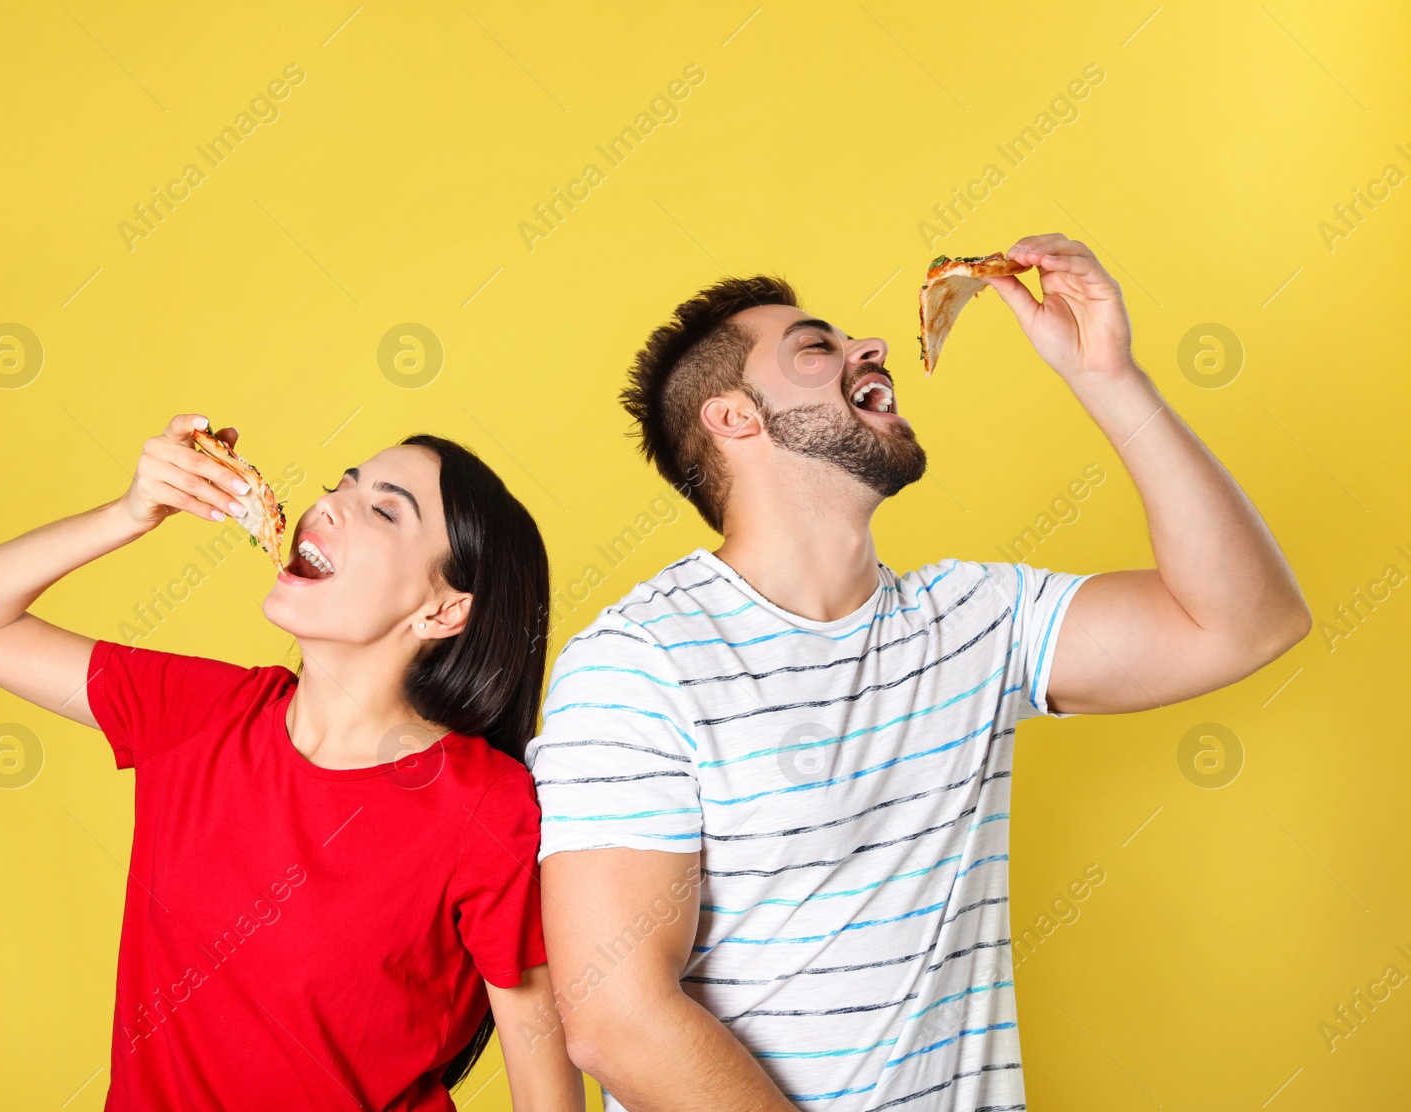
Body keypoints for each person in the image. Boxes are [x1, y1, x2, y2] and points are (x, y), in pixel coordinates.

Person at [526, 234, 1310, 1111]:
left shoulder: (976, 622)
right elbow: (614, 1015)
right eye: (816, 348)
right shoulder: (639, 663)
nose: (875, 348)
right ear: (733, 417)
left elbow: (1247, 622)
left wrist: (1107, 377)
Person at [0, 416, 585, 1112]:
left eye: (383, 509)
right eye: (339, 485)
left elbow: (543, 1080)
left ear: (444, 611)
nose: (329, 506)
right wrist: (130, 512)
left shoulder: (486, 808)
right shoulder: (200, 716)